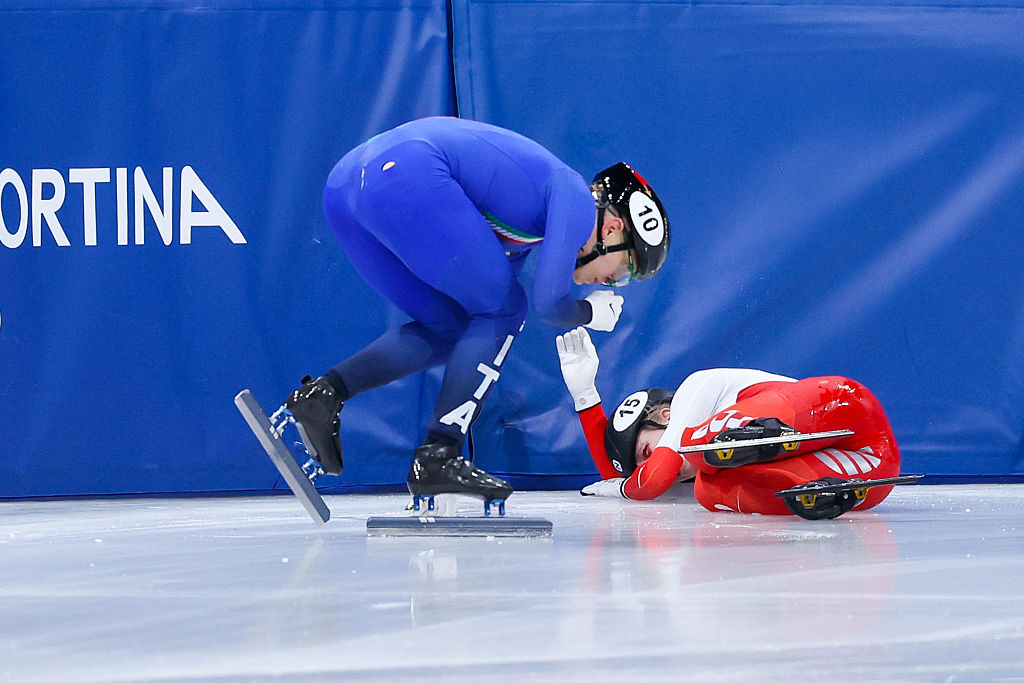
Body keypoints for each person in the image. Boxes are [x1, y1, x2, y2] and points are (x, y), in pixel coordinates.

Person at [284, 117, 670, 508]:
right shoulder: (575, 199)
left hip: (347, 185)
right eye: (623, 273)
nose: (608, 283)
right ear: (613, 229)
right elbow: (548, 304)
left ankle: (324, 394)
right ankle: (439, 454)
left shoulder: (525, 232)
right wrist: (587, 313)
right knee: (507, 308)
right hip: (404, 171)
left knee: (451, 325)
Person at [555, 327, 901, 519]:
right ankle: (812, 491)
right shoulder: (695, 474)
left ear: (665, 415)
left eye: (647, 450)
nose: (651, 464)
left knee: (700, 451)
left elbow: (652, 480)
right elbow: (637, 480)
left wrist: (618, 488)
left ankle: (759, 437)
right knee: (709, 490)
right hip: (875, 467)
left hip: (844, 403)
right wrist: (585, 396)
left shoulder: (695, 389)